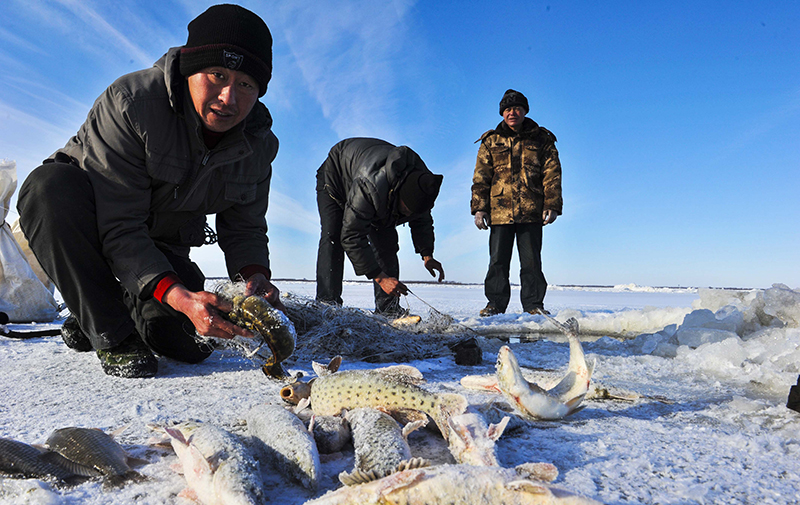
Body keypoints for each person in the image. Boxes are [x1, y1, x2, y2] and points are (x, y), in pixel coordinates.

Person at [17, 4, 283, 379]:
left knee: (184, 342)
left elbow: (246, 225)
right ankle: (111, 331)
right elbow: (120, 224)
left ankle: (105, 308)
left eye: (246, 84)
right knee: (48, 189)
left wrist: (254, 274)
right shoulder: (133, 102)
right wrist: (175, 294)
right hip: (96, 225)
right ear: (191, 68)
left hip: (160, 243)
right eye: (217, 74)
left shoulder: (260, 144)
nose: (229, 98)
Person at [315, 137, 445, 317]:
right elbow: (351, 236)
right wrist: (380, 277)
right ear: (397, 194)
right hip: (336, 177)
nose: (407, 216)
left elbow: (422, 220)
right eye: (405, 211)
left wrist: (427, 254)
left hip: (378, 189)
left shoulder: (421, 183)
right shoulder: (370, 185)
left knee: (386, 243)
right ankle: (327, 304)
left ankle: (388, 309)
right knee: (334, 235)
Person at [471, 89, 562, 316]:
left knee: (531, 263)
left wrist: (552, 205)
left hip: (531, 210)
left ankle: (534, 306)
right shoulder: (490, 141)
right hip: (499, 212)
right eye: (508, 109)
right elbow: (481, 177)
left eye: (517, 108)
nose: (513, 113)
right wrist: (479, 208)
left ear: (525, 111)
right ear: (502, 113)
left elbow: (552, 174)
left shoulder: (542, 139)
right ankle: (495, 304)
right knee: (497, 262)